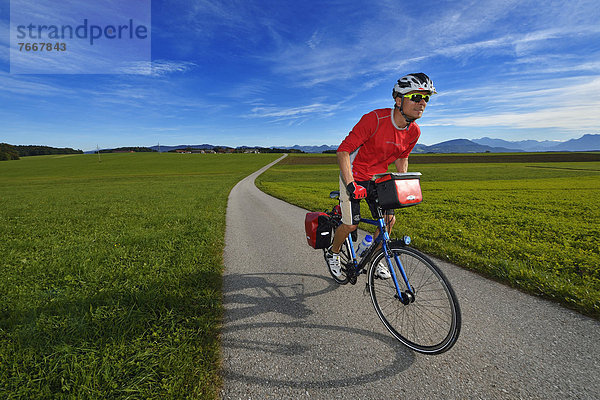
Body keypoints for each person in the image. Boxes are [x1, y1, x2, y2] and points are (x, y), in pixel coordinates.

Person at [325, 73, 436, 279]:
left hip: (378, 178)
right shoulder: (374, 119)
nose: (422, 103)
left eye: (426, 98)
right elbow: (343, 151)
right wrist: (350, 184)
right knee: (350, 224)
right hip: (354, 174)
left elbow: (402, 157)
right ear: (398, 100)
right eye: (416, 97)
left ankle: (374, 258)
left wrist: (403, 183)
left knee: (389, 221)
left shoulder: (414, 132)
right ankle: (334, 252)